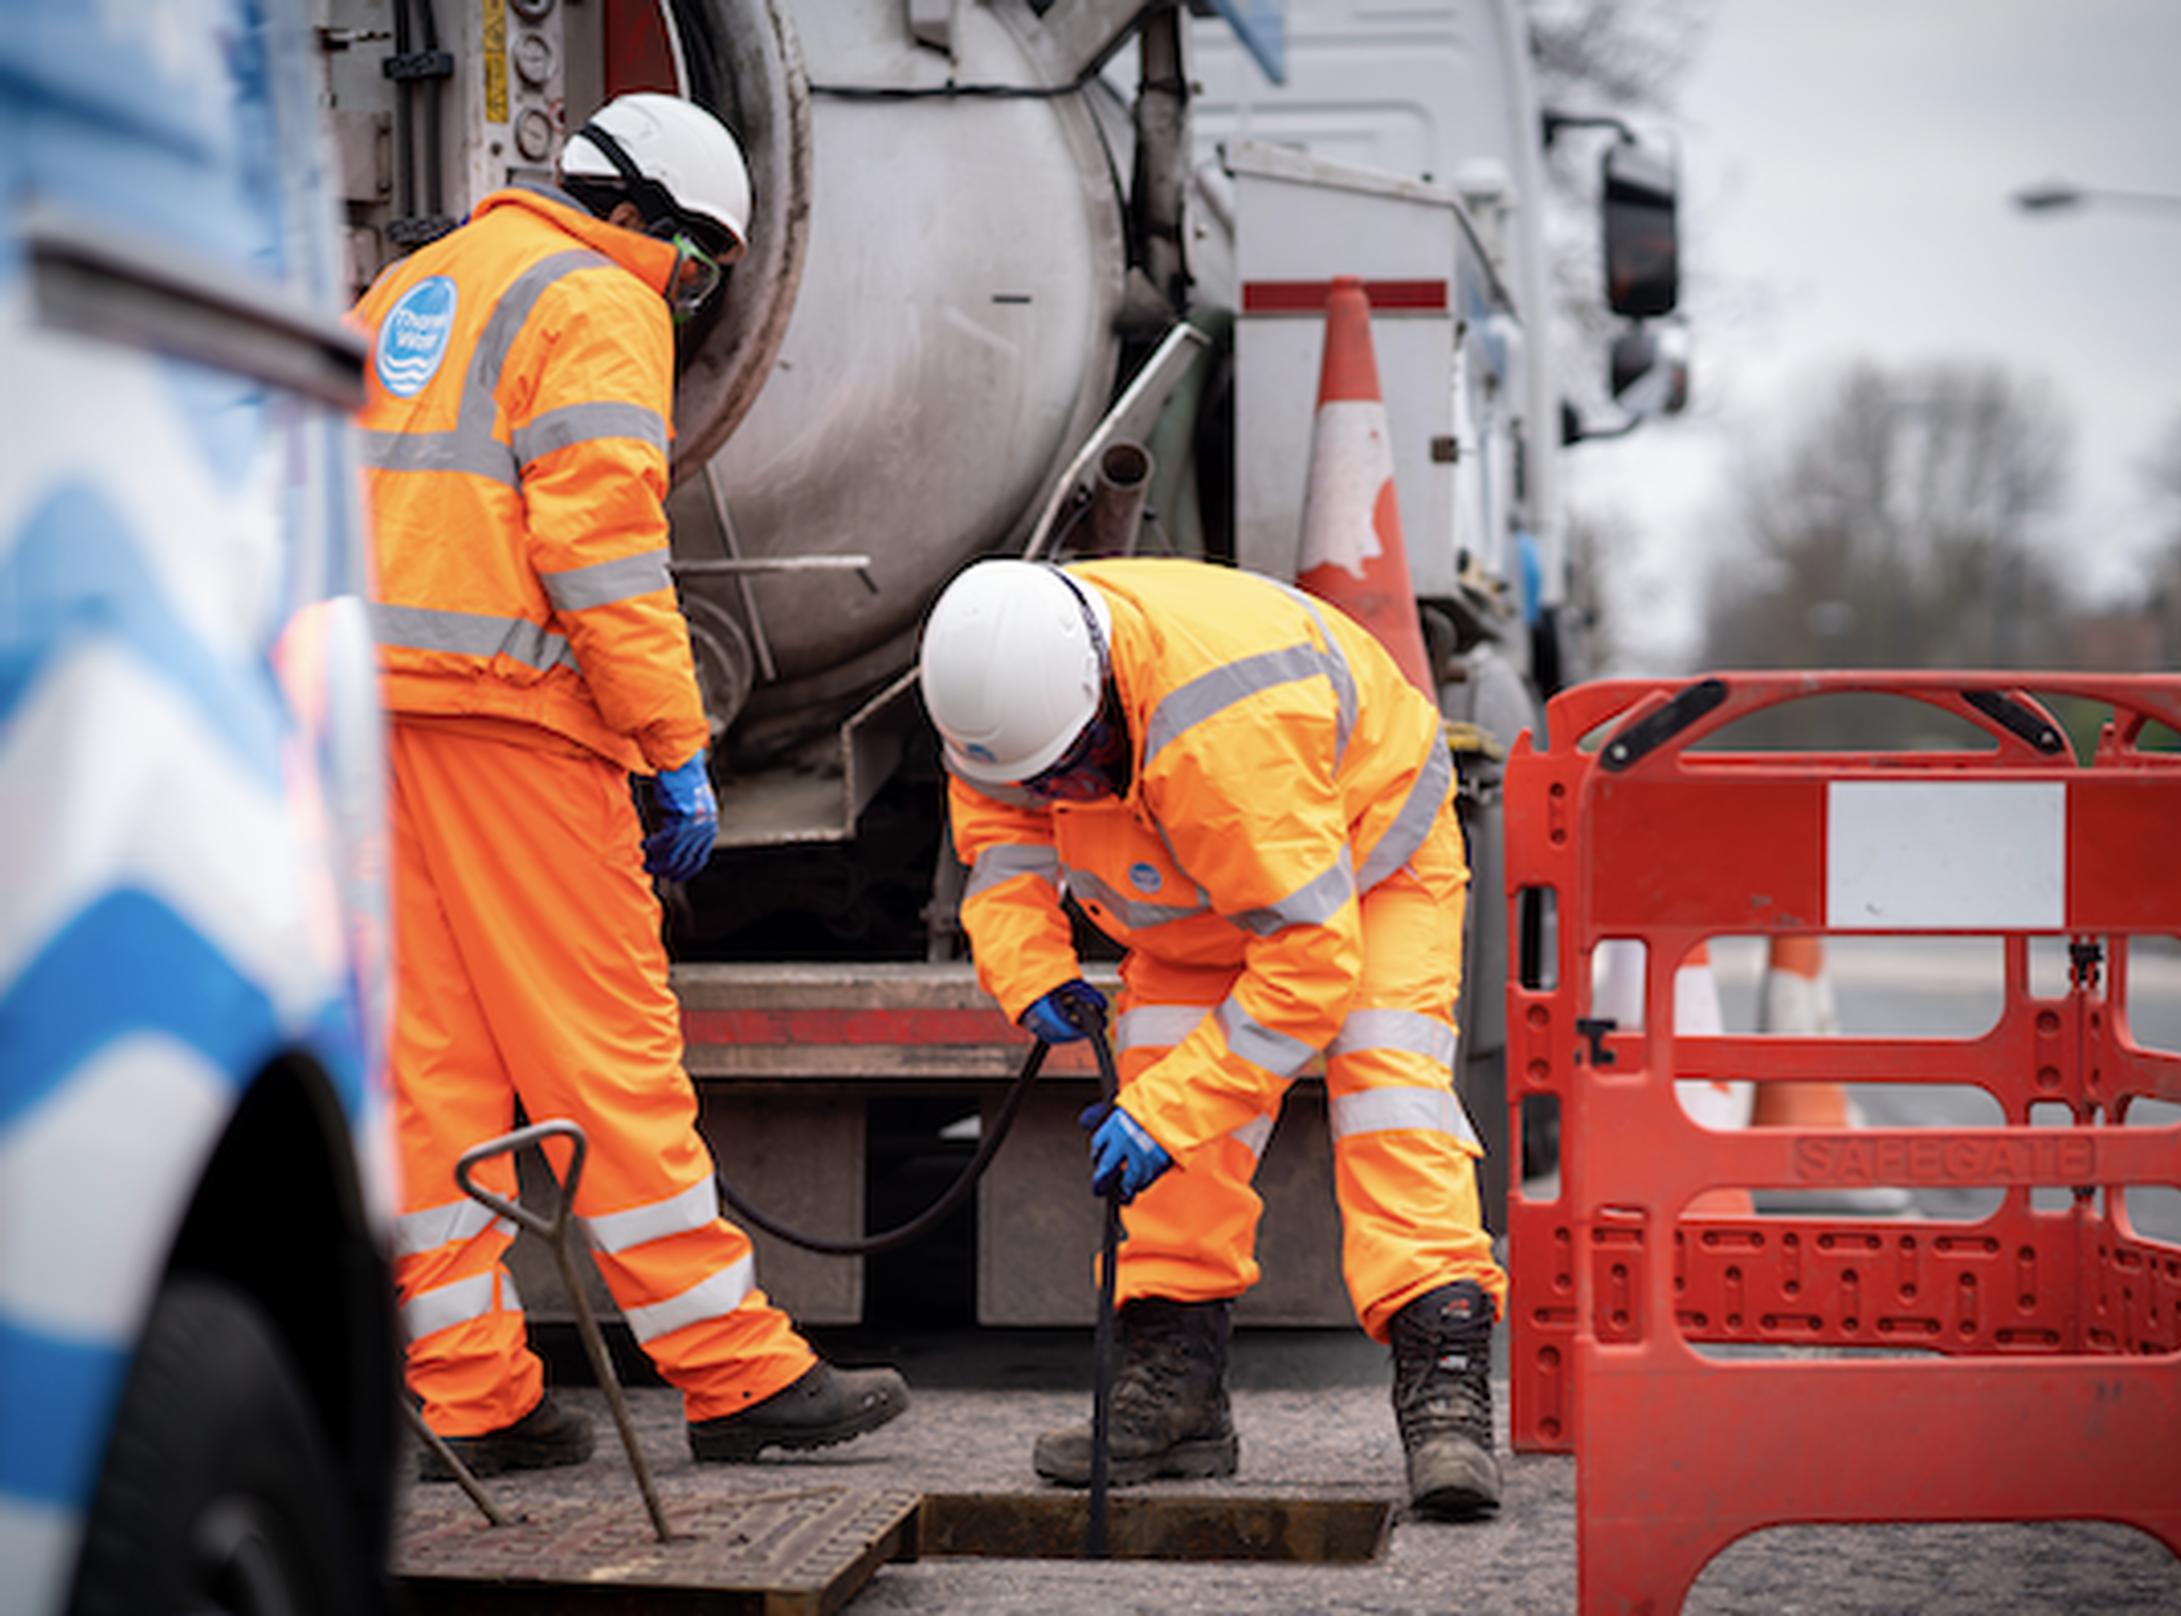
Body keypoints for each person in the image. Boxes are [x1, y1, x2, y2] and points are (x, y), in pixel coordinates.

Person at [355, 93, 906, 1476]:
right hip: (517, 723)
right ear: (646, 220)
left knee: (432, 1068)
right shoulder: (595, 300)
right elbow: (600, 551)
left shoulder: (407, 288)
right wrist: (671, 746)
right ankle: (736, 1375)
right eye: (700, 264)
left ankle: (469, 1393)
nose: (693, 291)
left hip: (371, 724)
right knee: (605, 1048)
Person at [919, 556, 1509, 1518]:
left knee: (1388, 1095)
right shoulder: (1004, 707)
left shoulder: (1226, 730)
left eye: (1075, 767)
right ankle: (1178, 1392)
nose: (1063, 789)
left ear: (1104, 693)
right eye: (1045, 778)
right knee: (1167, 1129)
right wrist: (1031, 968)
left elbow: (1310, 964)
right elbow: (1006, 841)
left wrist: (1167, 1112)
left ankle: (1443, 1383)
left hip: (1362, 873)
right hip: (1193, 900)